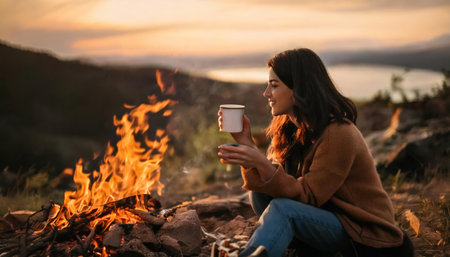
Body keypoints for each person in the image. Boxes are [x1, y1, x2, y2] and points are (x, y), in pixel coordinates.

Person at [217, 48, 413, 257]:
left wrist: (262, 163)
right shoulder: (287, 128)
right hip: (328, 218)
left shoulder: (339, 132)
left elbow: (308, 196)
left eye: (274, 86)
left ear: (298, 89)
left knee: (283, 209)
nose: (266, 93)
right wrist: (245, 142)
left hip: (364, 235)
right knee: (260, 193)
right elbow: (279, 183)